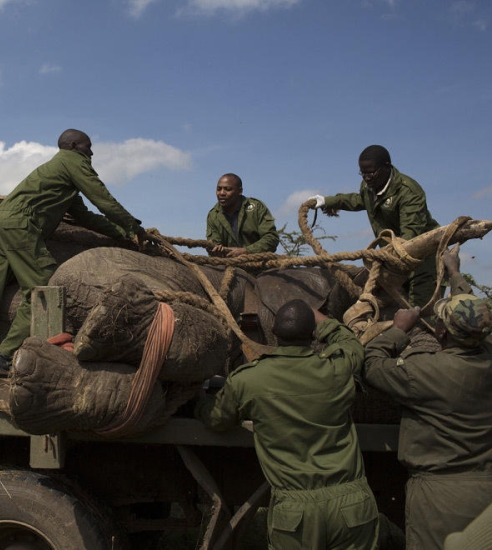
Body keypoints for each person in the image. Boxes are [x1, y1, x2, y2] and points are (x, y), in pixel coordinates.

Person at [0, 129, 154, 392]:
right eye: (88, 147)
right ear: (75, 146)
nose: (91, 153)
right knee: (45, 288)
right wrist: (135, 227)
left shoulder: (59, 174)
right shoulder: (72, 161)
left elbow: (86, 216)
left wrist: (123, 233)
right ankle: (6, 355)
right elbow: (102, 198)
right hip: (20, 226)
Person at [196, 299, 379, 549]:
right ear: (312, 334)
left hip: (296, 514)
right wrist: (321, 319)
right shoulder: (337, 369)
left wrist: (200, 401)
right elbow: (350, 343)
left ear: (273, 331)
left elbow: (216, 419)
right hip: (352, 506)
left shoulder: (249, 380)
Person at [362, 245, 492, 550]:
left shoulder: (424, 371)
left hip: (440, 498)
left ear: (441, 333)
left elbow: (371, 365)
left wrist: (398, 330)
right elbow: (475, 316)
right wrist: (455, 273)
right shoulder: (486, 351)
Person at [309, 145, 439, 307]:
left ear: (386, 166)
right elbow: (358, 200)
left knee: (420, 310)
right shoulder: (368, 187)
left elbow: (410, 235)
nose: (366, 178)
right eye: (362, 173)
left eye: (370, 173)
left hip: (423, 260)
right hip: (393, 260)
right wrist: (327, 201)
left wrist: (384, 259)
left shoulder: (408, 192)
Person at [205, 173, 279, 257]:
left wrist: (246, 251)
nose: (222, 193)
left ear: (239, 191)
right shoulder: (213, 215)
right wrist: (215, 250)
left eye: (228, 189)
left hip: (259, 262)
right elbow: (214, 243)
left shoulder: (257, 208)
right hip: (228, 264)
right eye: (218, 189)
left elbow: (271, 238)